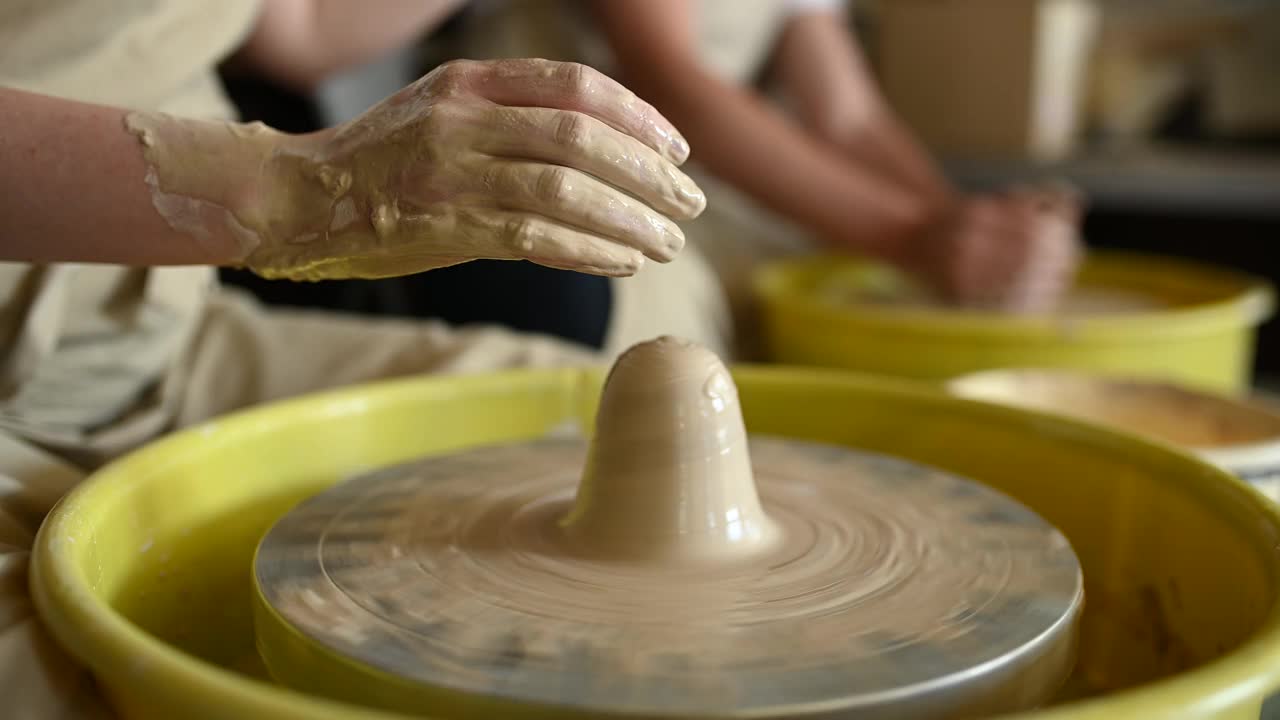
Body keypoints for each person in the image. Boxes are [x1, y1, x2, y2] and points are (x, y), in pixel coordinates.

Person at [0, 0, 706, 714]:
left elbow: (296, 27)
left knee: (591, 430)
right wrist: (296, 192)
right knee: (60, 686)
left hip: (157, 329)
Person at [448, 0, 1084, 357]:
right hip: (565, 177)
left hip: (702, 187)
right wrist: (918, 236)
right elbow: (672, 82)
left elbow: (851, 121)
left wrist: (970, 234)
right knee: (669, 380)